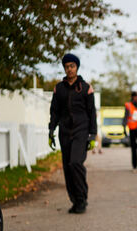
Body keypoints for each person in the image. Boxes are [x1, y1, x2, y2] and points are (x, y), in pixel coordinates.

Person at [48, 53, 97, 214]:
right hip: (64, 132)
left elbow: (92, 113)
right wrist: (51, 130)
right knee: (67, 168)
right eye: (67, 66)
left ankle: (82, 198)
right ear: (64, 68)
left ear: (77, 67)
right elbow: (54, 111)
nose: (69, 69)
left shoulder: (86, 88)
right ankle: (75, 201)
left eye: (72, 66)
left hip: (81, 131)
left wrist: (92, 135)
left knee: (75, 163)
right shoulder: (59, 88)